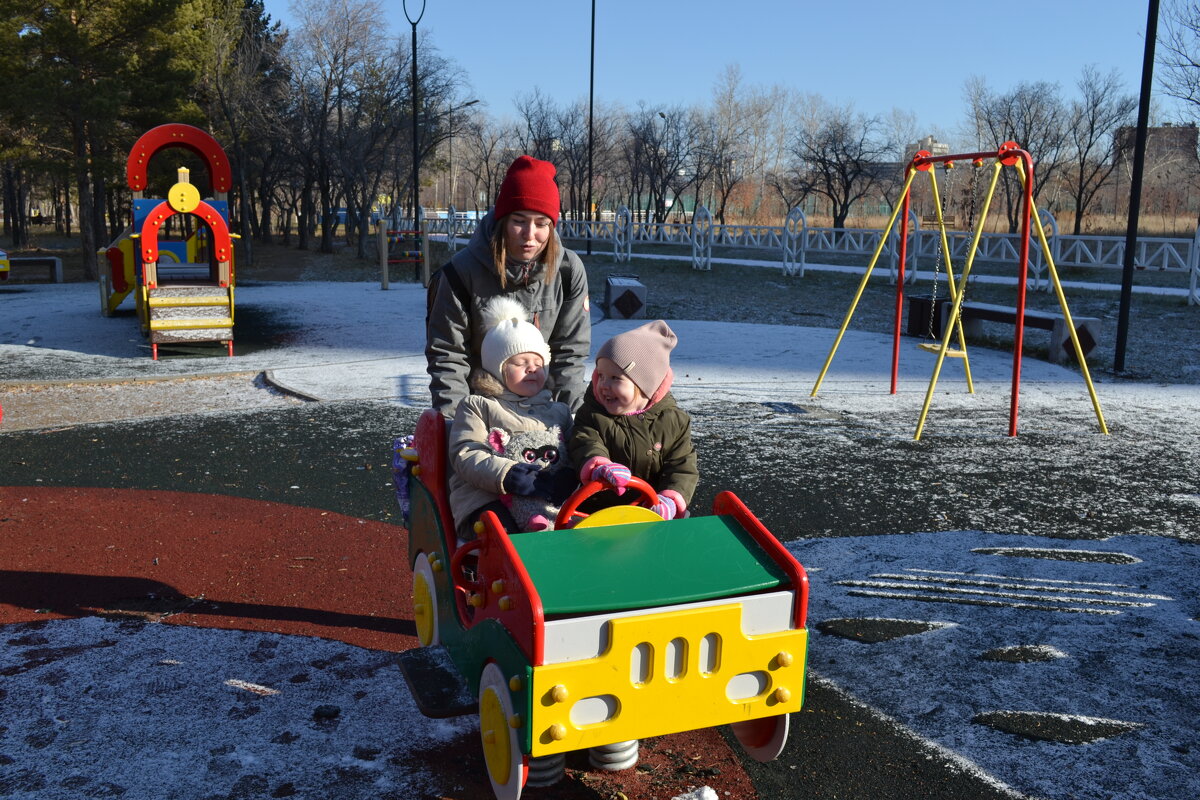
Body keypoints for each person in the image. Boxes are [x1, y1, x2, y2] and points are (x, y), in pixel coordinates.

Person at [426, 155, 590, 420]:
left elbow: (569, 356)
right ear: (503, 221)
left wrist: (573, 426)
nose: (530, 234)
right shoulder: (460, 273)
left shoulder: (568, 271)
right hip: (480, 411)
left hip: (545, 411)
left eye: (541, 223)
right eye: (519, 221)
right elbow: (448, 357)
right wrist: (454, 428)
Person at [448, 297, 576, 541]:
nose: (532, 369)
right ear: (498, 368)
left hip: (547, 497)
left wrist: (569, 475)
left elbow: (574, 450)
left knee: (578, 526)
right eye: (521, 363)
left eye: (539, 364)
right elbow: (466, 453)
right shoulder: (478, 406)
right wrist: (507, 474)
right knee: (506, 535)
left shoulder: (558, 411)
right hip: (488, 496)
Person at [569, 320, 697, 520]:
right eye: (600, 376)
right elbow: (585, 442)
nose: (604, 385)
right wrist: (599, 466)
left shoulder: (674, 421)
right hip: (597, 513)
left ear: (646, 384)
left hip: (651, 511)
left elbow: (682, 466)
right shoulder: (593, 414)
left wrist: (671, 498)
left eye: (615, 378)